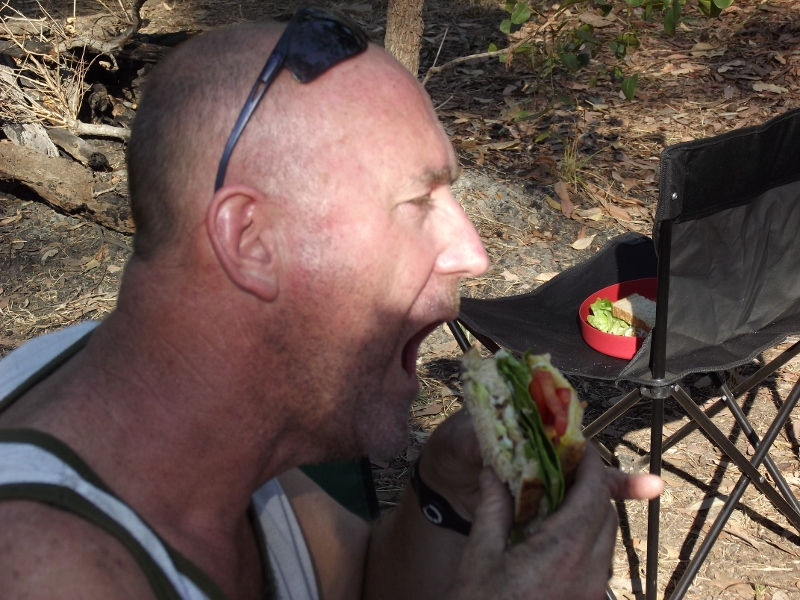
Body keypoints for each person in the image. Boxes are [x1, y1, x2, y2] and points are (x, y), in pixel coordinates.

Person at [0, 9, 663, 600]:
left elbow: (352, 579)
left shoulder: (207, 408)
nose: (472, 253)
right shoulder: (43, 566)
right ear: (251, 242)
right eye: (420, 202)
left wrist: (442, 491)